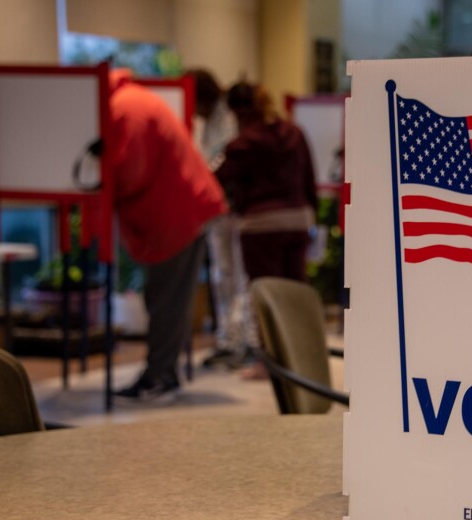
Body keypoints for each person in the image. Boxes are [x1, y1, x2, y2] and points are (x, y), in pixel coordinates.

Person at [108, 69, 228, 400]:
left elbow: (132, 168)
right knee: (168, 298)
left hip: (175, 213)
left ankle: (159, 377)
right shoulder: (134, 100)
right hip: (184, 208)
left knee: (166, 300)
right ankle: (161, 373)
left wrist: (103, 186)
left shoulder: (123, 107)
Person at [186, 68, 257, 370]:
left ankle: (246, 340)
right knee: (221, 275)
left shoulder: (230, 117)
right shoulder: (201, 122)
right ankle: (227, 338)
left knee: (240, 275)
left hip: (238, 208)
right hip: (215, 209)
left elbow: (230, 160)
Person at [215, 82, 318, 284]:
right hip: (298, 219)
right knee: (296, 291)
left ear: (236, 113)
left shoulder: (242, 144)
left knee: (267, 294)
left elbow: (218, 179)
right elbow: (309, 178)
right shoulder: (295, 133)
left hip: (260, 224)